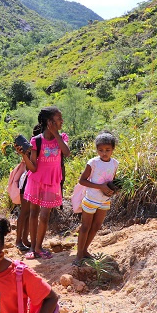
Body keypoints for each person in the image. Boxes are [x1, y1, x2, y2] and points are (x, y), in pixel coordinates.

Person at [16, 107, 70, 260]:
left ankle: (39, 247)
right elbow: (32, 167)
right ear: (49, 122)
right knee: (33, 213)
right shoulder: (36, 140)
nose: (62, 121)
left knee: (44, 216)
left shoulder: (63, 137)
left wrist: (56, 134)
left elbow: (66, 152)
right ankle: (33, 248)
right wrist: (23, 155)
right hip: (36, 180)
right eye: (59, 118)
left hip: (52, 181)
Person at [74, 132, 118, 266]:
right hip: (91, 199)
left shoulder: (115, 163)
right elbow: (82, 181)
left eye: (107, 150)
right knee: (85, 227)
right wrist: (100, 186)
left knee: (97, 226)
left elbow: (112, 180)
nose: (104, 153)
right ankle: (79, 255)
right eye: (101, 150)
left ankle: (85, 250)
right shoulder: (93, 163)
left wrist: (113, 190)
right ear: (97, 149)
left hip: (105, 200)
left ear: (113, 149)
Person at [15, 147, 34, 253]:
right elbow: (28, 167)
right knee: (25, 211)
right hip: (28, 180)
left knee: (30, 212)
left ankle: (25, 239)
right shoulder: (33, 145)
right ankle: (18, 240)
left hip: (33, 181)